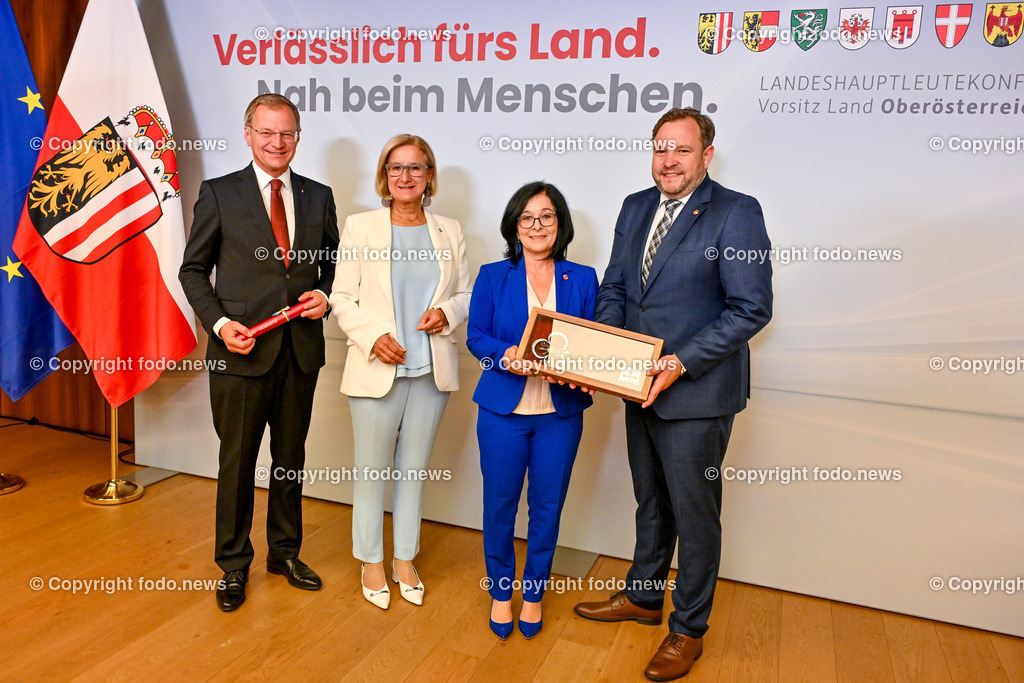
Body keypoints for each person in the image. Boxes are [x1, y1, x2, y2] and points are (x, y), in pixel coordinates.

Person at [573, 108, 772, 680]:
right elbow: (615, 287)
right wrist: (609, 354)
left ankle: (688, 629)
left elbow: (751, 308)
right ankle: (643, 596)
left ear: (706, 155)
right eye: (661, 148)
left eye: (681, 150)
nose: (669, 160)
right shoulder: (636, 206)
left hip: (697, 394)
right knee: (652, 501)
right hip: (637, 387)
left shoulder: (736, 212)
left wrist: (679, 363)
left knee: (695, 514)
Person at [179, 93, 339, 612]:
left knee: (290, 460)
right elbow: (192, 271)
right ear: (248, 134)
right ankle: (233, 564)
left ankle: (285, 554)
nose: (277, 142)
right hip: (240, 355)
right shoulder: (219, 193)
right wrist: (221, 324)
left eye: (286, 133)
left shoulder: (319, 196)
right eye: (266, 132)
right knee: (238, 463)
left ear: (298, 137)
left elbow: (334, 267)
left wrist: (326, 297)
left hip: (300, 354)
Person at [330, 134, 471, 610]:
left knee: (413, 471)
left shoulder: (449, 229)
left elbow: (465, 294)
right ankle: (371, 560)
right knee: (371, 471)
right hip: (377, 369)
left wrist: (447, 313)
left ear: (429, 176)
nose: (405, 176)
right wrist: (373, 337)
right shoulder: (361, 226)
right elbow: (341, 298)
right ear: (384, 176)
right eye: (396, 168)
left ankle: (404, 560)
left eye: (415, 168)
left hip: (431, 372)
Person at [466, 182, 598, 640]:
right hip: (502, 411)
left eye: (546, 216)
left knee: (547, 507)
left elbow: (593, 342)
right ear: (514, 226)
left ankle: (535, 593)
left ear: (560, 224)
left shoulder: (583, 278)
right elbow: (476, 337)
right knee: (499, 506)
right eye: (527, 217)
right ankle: (502, 592)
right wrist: (504, 355)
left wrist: (587, 369)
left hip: (560, 414)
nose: (536, 225)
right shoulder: (492, 275)